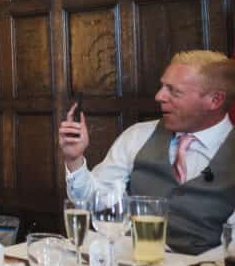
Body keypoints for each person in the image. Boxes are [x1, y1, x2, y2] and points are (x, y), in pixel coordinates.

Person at [59, 50, 235, 255]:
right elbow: (93, 201)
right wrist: (74, 160)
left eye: (174, 91)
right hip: (133, 263)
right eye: (162, 86)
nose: (159, 96)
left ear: (215, 100)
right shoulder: (137, 136)